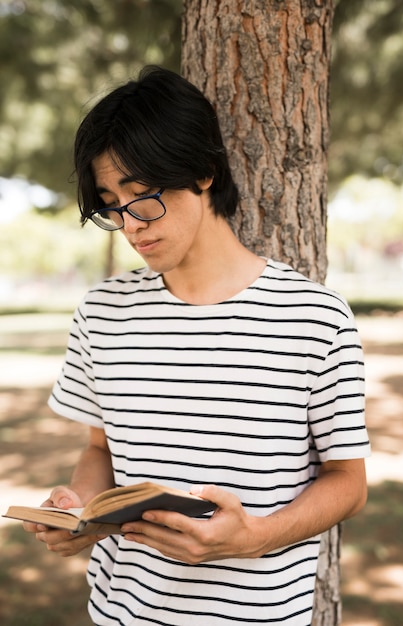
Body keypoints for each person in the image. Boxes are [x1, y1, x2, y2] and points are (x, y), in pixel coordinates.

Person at [23, 65, 370, 626]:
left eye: (143, 196)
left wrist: (254, 538)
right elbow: (100, 450)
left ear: (204, 172)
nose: (130, 224)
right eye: (111, 203)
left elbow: (348, 483)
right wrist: (79, 512)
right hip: (121, 613)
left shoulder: (314, 317)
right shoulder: (102, 313)